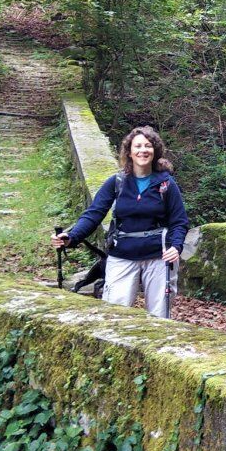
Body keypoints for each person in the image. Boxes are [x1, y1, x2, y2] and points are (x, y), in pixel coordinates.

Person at [53, 126, 190, 318]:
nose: (143, 150)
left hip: (159, 256)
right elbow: (94, 213)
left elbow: (179, 221)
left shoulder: (166, 184)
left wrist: (176, 246)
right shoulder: (117, 181)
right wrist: (72, 236)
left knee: (159, 316)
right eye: (138, 146)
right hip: (122, 254)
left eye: (148, 146)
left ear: (155, 151)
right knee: (114, 314)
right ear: (129, 152)